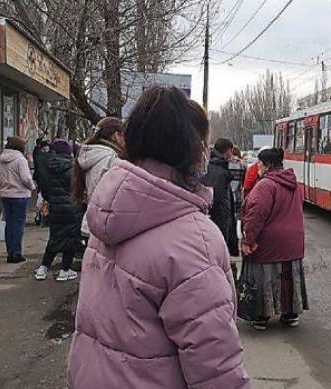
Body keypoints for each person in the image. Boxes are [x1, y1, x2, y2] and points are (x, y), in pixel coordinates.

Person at [68, 86, 251, 389]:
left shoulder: (109, 209)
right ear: (193, 150)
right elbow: (217, 369)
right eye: (203, 143)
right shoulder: (194, 240)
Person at [241, 148, 308, 330]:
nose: (258, 168)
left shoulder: (265, 185)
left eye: (260, 164)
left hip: (269, 241)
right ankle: (290, 314)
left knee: (264, 276)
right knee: (288, 277)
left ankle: (261, 316)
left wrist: (248, 240)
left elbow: (256, 215)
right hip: (293, 240)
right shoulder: (293, 183)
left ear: (267, 165)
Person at [34, 140, 84, 282]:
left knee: (55, 237)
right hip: (73, 208)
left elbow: (44, 188)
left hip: (55, 207)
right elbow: (80, 187)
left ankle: (43, 268)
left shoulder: (48, 167)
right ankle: (65, 270)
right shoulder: (74, 167)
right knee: (71, 239)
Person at [71, 117, 125, 239]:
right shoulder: (111, 159)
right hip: (105, 223)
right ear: (115, 135)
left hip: (90, 220)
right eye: (124, 136)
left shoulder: (90, 156)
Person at [0, 136, 35, 263]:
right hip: (20, 194)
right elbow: (26, 178)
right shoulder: (20, 159)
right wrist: (32, 186)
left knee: (9, 223)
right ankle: (17, 253)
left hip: (6, 194)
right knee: (18, 224)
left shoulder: (2, 159)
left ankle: (10, 252)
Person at [203, 137, 239, 256]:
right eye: (231, 150)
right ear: (226, 150)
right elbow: (216, 199)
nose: (231, 154)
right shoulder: (220, 172)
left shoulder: (212, 167)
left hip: (218, 219)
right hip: (220, 221)